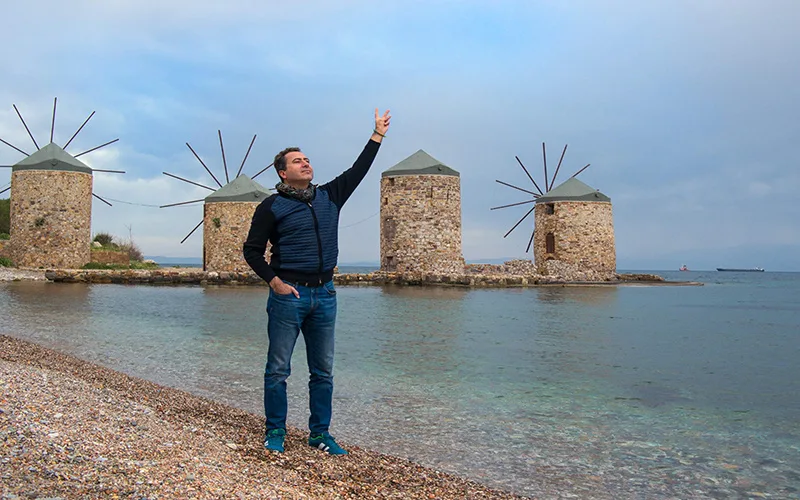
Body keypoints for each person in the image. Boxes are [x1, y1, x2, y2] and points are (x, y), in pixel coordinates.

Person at [243, 108, 391, 455]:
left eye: (307, 159)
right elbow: (252, 251)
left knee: (323, 371)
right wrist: (274, 282)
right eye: (297, 161)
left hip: (325, 294)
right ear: (283, 172)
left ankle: (319, 433)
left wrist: (377, 135)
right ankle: (275, 431)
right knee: (278, 369)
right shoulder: (271, 207)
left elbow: (359, 169)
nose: (305, 163)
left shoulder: (329, 196)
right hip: (289, 295)